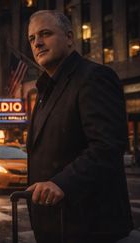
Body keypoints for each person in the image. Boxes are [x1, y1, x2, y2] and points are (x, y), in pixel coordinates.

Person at [25, 10, 133, 243]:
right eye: (32, 39)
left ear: (70, 38)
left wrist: (61, 183)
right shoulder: (45, 88)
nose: (38, 43)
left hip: (89, 227)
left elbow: (108, 146)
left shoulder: (94, 77)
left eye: (45, 34)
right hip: (53, 225)